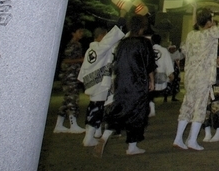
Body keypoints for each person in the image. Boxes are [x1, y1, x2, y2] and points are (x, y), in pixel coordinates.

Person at [96, 14, 156, 156]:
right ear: (142, 27)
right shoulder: (144, 42)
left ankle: (105, 135)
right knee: (137, 113)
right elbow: (149, 65)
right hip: (138, 82)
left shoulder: (122, 43)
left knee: (120, 109)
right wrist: (152, 80)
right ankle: (132, 147)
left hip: (122, 82)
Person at [173, 9, 219, 151]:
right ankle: (192, 140)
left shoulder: (191, 35)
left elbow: (184, 48)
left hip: (190, 76)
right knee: (200, 107)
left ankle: (178, 138)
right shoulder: (210, 34)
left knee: (187, 106)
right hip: (203, 77)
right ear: (209, 22)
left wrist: (194, 10)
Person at [78, 25, 124, 147]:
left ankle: (96, 133)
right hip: (98, 83)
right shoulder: (99, 48)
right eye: (105, 35)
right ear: (101, 36)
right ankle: (88, 138)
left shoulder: (90, 49)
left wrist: (83, 81)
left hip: (90, 82)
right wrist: (121, 22)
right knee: (96, 109)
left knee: (94, 107)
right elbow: (110, 40)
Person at [55, 28, 89, 134]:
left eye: (82, 32)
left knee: (67, 100)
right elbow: (66, 60)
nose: (81, 34)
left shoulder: (77, 44)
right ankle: (73, 124)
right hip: (69, 75)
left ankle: (59, 125)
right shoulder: (72, 45)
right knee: (72, 99)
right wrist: (80, 60)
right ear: (73, 33)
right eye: (79, 32)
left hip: (73, 74)